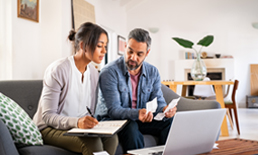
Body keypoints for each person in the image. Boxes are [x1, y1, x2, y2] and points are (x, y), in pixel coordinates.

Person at [33, 22, 118, 155]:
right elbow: (48, 116)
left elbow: (89, 111)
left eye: (105, 46)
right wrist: (77, 122)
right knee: (92, 143)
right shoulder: (58, 70)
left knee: (112, 138)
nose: (104, 51)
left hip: (77, 128)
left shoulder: (94, 73)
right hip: (49, 128)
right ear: (83, 45)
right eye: (99, 46)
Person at [95, 28, 177, 153]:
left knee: (170, 122)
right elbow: (114, 110)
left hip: (140, 118)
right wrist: (138, 114)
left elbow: (158, 99)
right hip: (113, 120)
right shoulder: (109, 72)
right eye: (130, 51)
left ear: (147, 53)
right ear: (125, 46)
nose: (133, 57)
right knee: (131, 127)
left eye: (139, 54)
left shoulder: (152, 72)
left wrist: (165, 109)